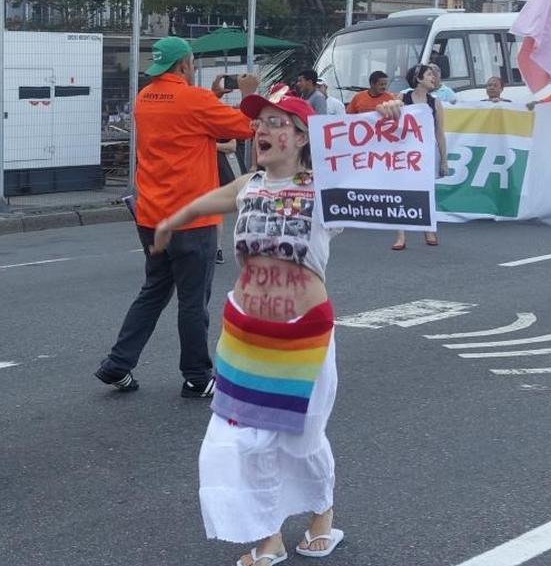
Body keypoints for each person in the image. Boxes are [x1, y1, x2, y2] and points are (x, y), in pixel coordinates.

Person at [151, 84, 402, 566]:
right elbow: (210, 201)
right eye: (258, 122)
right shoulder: (249, 185)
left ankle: (321, 519)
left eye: (275, 123)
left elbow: (395, 170)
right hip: (246, 339)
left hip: (303, 339)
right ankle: (268, 537)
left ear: (304, 136)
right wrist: (172, 220)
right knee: (239, 441)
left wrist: (391, 119)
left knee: (301, 438)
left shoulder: (329, 188)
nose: (260, 130)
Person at [95, 36, 258, 397]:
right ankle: (197, 376)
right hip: (192, 217)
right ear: (185, 65)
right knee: (192, 300)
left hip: (152, 214)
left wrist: (212, 98)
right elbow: (247, 126)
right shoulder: (195, 100)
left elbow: (186, 122)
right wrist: (248, 94)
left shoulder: (144, 98)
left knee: (153, 291)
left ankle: (117, 365)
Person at [393, 64, 448, 251]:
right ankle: (400, 235)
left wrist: (444, 159)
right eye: (429, 74)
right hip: (404, 151)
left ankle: (429, 229)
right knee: (401, 192)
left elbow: (439, 132)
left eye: (434, 74)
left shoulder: (435, 102)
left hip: (426, 152)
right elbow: (391, 124)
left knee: (427, 192)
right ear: (418, 78)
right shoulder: (403, 98)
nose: (434, 77)